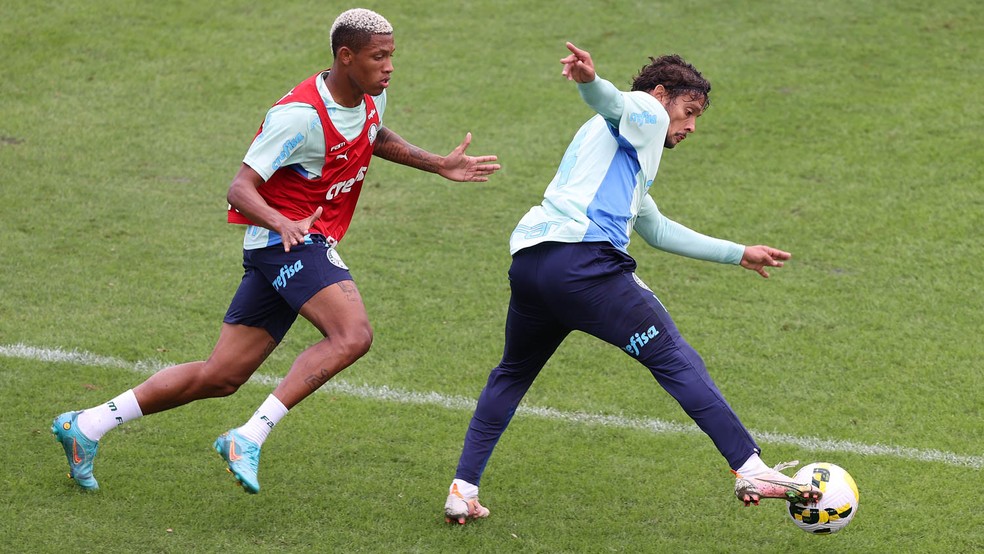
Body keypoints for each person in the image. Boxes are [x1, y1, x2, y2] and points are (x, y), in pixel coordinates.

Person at [52, 7, 500, 494]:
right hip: (286, 241)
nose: (390, 66)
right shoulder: (299, 118)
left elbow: (371, 133)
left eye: (392, 55)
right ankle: (249, 436)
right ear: (345, 57)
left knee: (221, 376)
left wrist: (436, 164)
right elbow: (240, 188)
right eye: (379, 57)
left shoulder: (372, 95)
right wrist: (282, 222)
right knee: (352, 335)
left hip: (293, 242)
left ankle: (88, 424)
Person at [443, 42, 819, 524]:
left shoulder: (620, 156)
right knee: (674, 356)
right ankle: (752, 467)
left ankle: (462, 489)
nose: (689, 127)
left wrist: (738, 253)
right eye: (688, 112)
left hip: (534, 266)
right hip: (584, 268)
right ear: (662, 96)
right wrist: (589, 80)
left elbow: (657, 230)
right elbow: (617, 101)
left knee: (512, 373)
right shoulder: (645, 110)